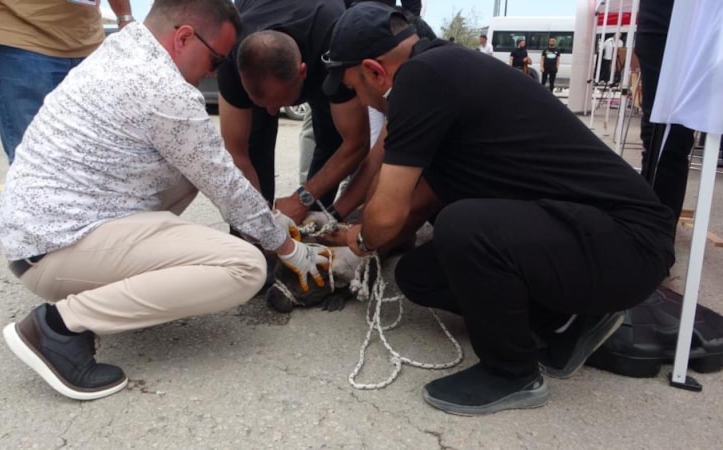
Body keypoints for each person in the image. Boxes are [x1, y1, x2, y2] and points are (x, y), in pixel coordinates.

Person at [323, 2, 675, 415]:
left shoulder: (420, 79)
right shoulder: (446, 69)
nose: (360, 100)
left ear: (374, 71)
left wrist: (360, 240)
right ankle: (566, 321)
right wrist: (346, 234)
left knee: (462, 225)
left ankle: (512, 373)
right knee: (419, 275)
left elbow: (386, 215)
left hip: (627, 242)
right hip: (594, 237)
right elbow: (417, 204)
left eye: (354, 88)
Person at [0, 0, 331, 401]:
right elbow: (226, 185)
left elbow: (214, 172)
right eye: (216, 59)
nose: (215, 72)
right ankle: (57, 327)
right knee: (245, 267)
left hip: (44, 233)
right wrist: (290, 248)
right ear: (184, 37)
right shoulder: (164, 91)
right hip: (54, 251)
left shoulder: (122, 49)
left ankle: (122, 288)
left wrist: (267, 222)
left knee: (191, 167)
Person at [216, 0, 371, 225]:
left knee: (331, 139)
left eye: (279, 102)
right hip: (254, 28)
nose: (272, 112)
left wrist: (302, 199)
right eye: (262, 103)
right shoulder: (231, 55)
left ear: (302, 72)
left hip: (320, 40)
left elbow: (356, 142)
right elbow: (237, 153)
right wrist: (260, 221)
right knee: (254, 143)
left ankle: (314, 221)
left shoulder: (334, 43)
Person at [0, 0, 134, 164]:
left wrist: (125, 18)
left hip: (90, 43)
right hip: (20, 44)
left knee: (98, 165)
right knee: (38, 167)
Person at [637, 0, 696, 234]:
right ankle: (650, 229)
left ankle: (656, 234)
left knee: (673, 137)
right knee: (656, 134)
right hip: (658, 20)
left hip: (696, 16)